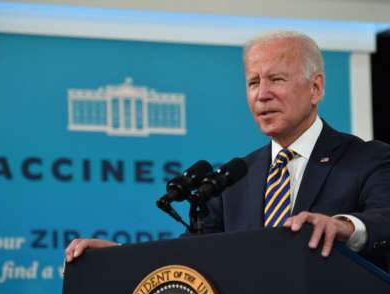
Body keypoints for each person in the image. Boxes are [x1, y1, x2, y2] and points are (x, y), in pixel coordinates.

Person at [65, 31, 390, 270]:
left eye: (276, 79)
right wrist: (117, 259)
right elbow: (191, 255)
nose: (262, 95)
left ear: (315, 87)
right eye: (252, 82)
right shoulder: (234, 179)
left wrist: (344, 227)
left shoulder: (368, 158)